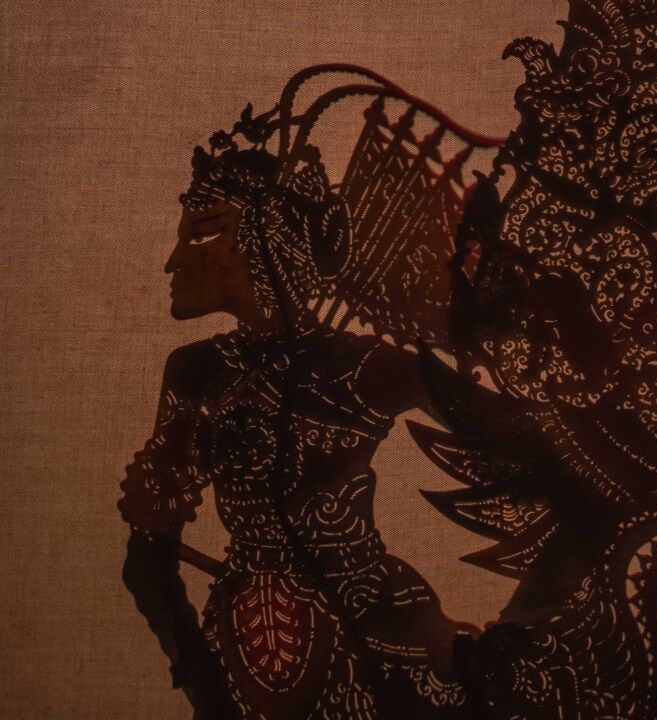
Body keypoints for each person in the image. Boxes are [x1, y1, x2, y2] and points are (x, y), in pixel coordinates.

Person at [119, 104, 475, 719]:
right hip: (237, 653)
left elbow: (526, 439)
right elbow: (147, 559)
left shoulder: (369, 368)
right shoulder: (196, 372)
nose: (174, 261)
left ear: (266, 240)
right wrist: (202, 679)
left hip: (384, 639)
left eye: (201, 233)